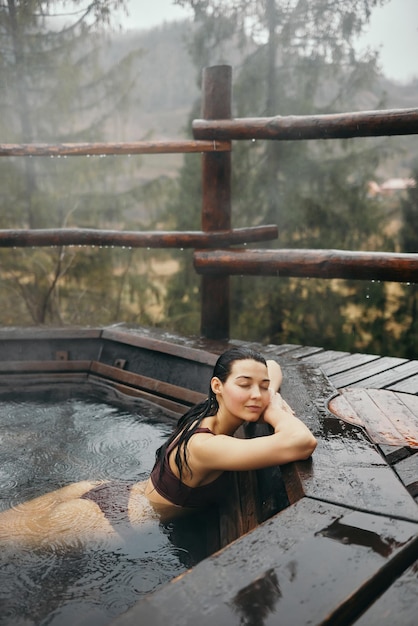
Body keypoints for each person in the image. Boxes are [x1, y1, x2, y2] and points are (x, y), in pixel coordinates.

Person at [0, 347, 316, 548]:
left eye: (260, 387)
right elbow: (302, 442)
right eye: (244, 385)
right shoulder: (207, 447)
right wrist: (273, 409)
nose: (256, 395)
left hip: (101, 492)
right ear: (217, 386)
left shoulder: (207, 415)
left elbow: (272, 365)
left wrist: (268, 388)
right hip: (107, 518)